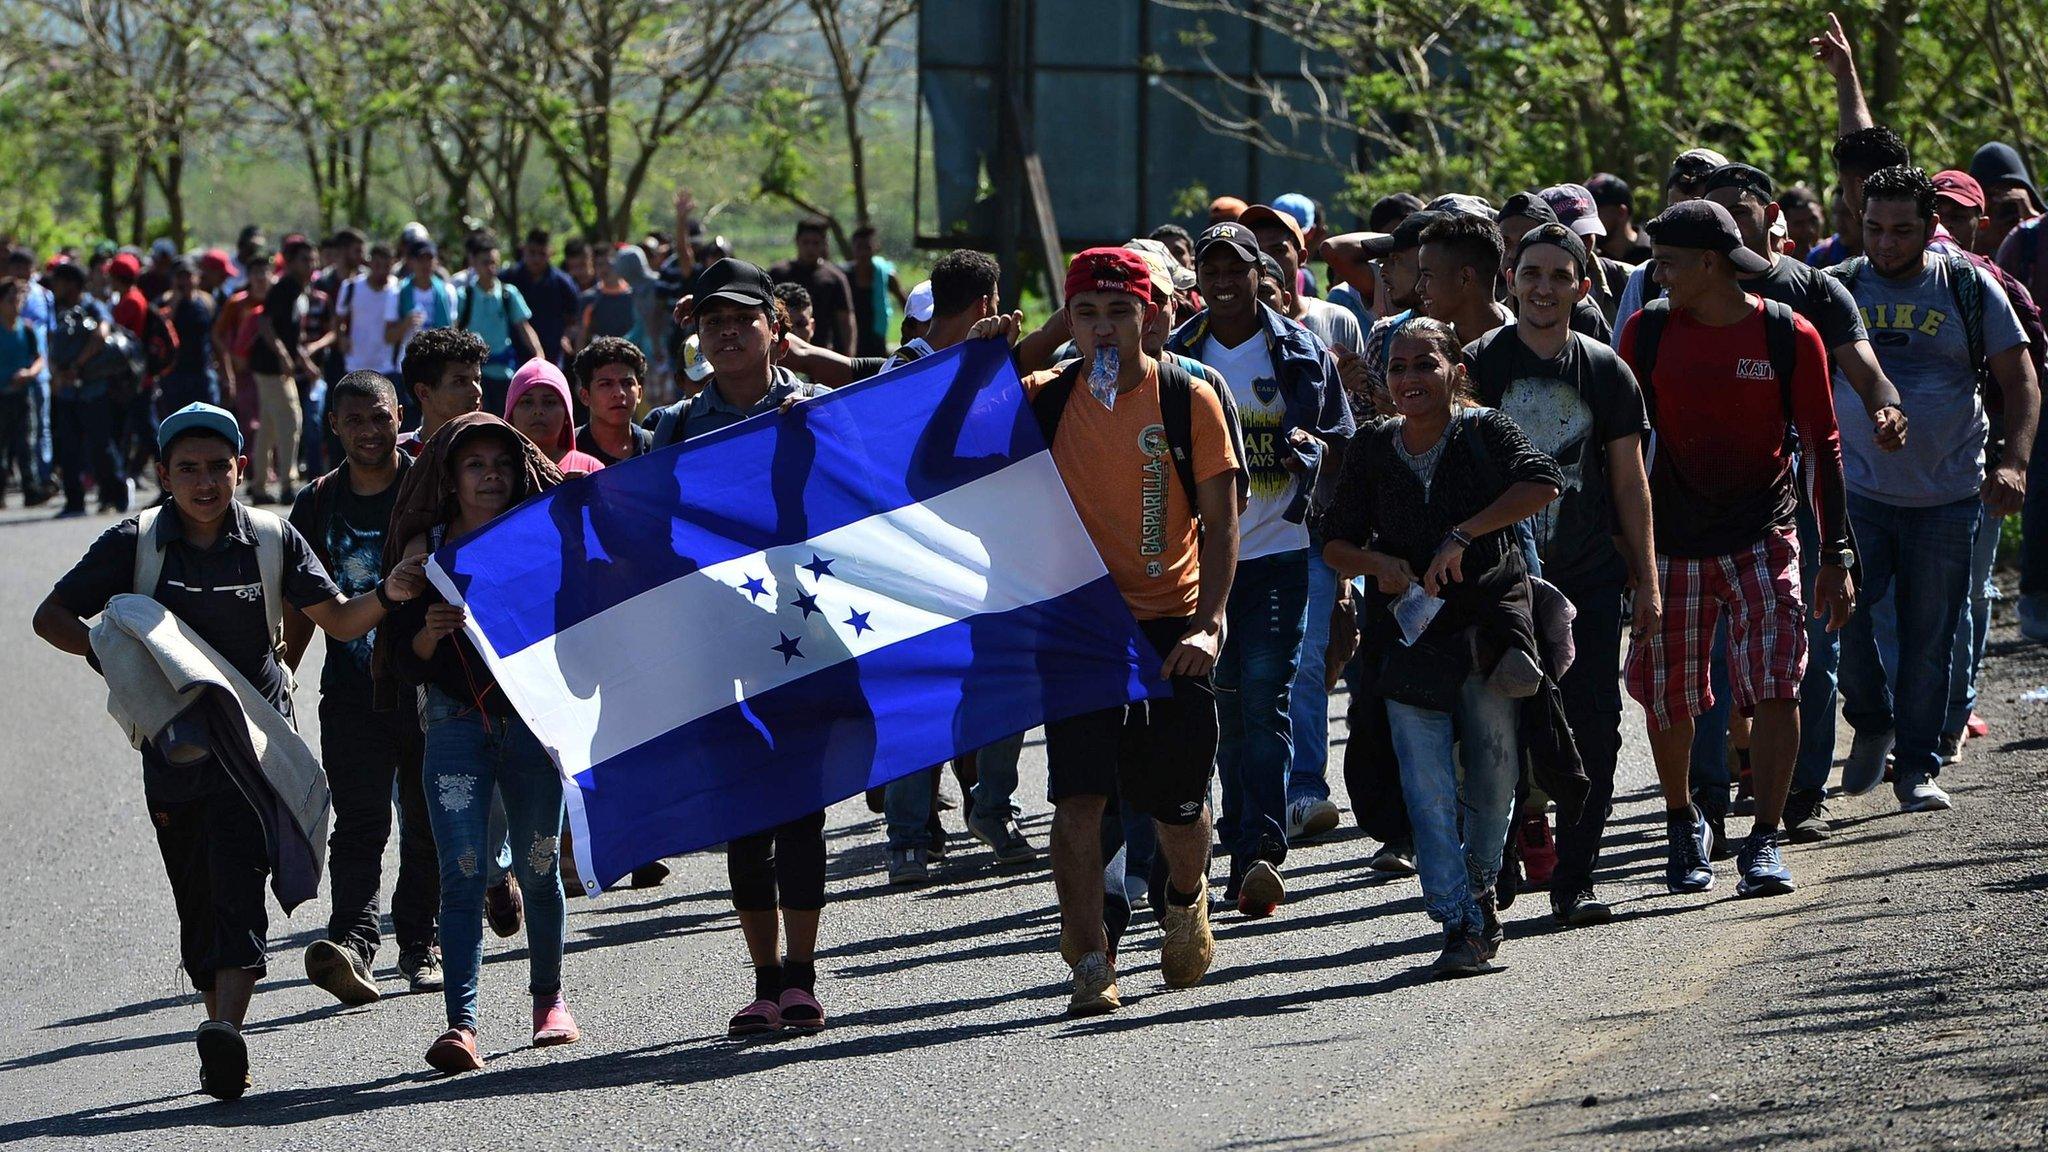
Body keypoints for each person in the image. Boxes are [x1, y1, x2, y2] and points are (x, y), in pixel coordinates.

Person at [32, 402, 430, 1099]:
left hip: (255, 742)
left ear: (242, 468)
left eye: (219, 466)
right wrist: (120, 662)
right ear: (163, 474)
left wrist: (390, 593)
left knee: (239, 880)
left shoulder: (273, 539)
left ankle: (229, 1030)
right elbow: (51, 616)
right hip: (176, 747)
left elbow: (337, 619)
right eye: (189, 469)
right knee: (197, 895)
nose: (206, 481)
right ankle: (217, 1016)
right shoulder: (138, 542)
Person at [1022, 247, 1237, 1014]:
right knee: (1080, 800)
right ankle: (1089, 959)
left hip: (1172, 619)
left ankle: (1186, 896)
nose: (1106, 330)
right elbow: (950, 418)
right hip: (1076, 626)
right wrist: (1044, 335)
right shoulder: (1043, 396)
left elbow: (1220, 523)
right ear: (1068, 319)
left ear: (1151, 315)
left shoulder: (1190, 396)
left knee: (1175, 803)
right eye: (1088, 313)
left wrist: (1210, 624)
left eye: (1121, 312)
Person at [1619, 199, 1854, 899]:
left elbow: (1823, 443)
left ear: (1710, 264)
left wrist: (1836, 555)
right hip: (1674, 543)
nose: (1654, 274)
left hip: (1762, 535)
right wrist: (1629, 553)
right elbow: (1622, 448)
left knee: (1780, 680)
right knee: (1671, 697)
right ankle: (1682, 821)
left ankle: (1764, 839)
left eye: (1665, 263)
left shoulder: (1789, 333)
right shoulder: (1647, 332)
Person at [1319, 315, 1563, 974]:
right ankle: (1460, 918)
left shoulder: (1486, 430)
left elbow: (1542, 482)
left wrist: (1463, 533)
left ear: (1455, 370)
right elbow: (1333, 539)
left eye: (1424, 364)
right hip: (1408, 639)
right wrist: (1378, 566)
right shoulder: (1373, 447)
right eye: (1397, 368)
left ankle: (1482, 885)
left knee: (1493, 775)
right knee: (1425, 789)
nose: (1408, 380)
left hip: (1484, 636)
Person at [1689, 160, 1910, 843]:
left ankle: (1802, 797)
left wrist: (1887, 409)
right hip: (1707, 506)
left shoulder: (1814, 293)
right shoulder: (1682, 300)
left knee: (1811, 650)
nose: (1728, 228)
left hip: (1803, 502)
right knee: (1711, 661)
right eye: (1714, 216)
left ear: (1767, 212)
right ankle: (1704, 807)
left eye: (1739, 213)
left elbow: (1867, 372)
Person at [1825, 165, 2038, 811]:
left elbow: (2022, 380)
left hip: (1947, 495)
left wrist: (2015, 462)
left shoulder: (1969, 286)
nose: (1885, 244)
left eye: (1901, 230)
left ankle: (1917, 769)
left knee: (1929, 638)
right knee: (1846, 629)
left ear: (1930, 228)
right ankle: (1871, 720)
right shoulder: (1834, 290)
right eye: (1873, 228)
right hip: (1855, 494)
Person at [1465, 224, 1656, 926]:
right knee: (1495, 734)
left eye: (1559, 275)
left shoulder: (1606, 371)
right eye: (1530, 273)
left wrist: (1648, 584)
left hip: (1590, 580)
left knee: (1593, 730)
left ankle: (1575, 879)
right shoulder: (1478, 364)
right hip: (1499, 584)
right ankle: (1494, 867)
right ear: (1509, 280)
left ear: (1583, 284)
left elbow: (1632, 486)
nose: (1543, 287)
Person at [1165, 221, 1353, 916]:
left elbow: (1344, 442)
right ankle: (1237, 837)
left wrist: (1315, 448)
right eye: (1209, 268)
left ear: (1260, 273)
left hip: (1280, 554)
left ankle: (1258, 854)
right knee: (1228, 706)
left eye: (1233, 268)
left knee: (1266, 696)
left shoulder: (1301, 351)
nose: (1220, 279)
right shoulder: (1177, 355)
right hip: (1201, 560)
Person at [383, 413, 580, 1073]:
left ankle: (549, 1001)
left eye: (501, 463)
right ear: (450, 477)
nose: (491, 476)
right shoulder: (425, 553)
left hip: (530, 723)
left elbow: (578, 615)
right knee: (463, 871)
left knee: (539, 863)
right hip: (454, 726)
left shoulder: (542, 535)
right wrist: (430, 632)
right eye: (475, 465)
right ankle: (460, 1026)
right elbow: (403, 655)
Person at [282, 372, 443, 1001]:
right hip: (351, 694)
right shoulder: (316, 504)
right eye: (355, 421)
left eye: (379, 418)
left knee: (428, 821)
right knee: (360, 821)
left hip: (428, 686)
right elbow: (301, 602)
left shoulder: (426, 485)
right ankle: (351, 942)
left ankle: (421, 942)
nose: (370, 432)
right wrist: (284, 672)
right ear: (334, 427)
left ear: (398, 413)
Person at [645, 259, 823, 450]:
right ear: (699, 337)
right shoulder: (676, 425)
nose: (728, 330)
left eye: (744, 318)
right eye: (714, 321)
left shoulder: (819, 404)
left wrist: (824, 424)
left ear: (774, 330)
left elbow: (854, 473)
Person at [44, 261, 130, 518]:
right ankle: (74, 501)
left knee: (100, 445)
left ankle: (114, 496)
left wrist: (77, 366)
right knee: (68, 445)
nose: (55, 287)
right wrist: (59, 374)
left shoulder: (92, 305)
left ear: (71, 283)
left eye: (58, 281)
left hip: (93, 390)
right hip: (68, 391)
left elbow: (101, 334)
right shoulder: (56, 309)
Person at [248, 240, 321, 505]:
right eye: (304, 260)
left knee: (268, 426)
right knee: (291, 420)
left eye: (313, 259)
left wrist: (303, 361)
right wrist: (283, 356)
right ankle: (288, 485)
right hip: (269, 367)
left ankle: (258, 486)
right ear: (290, 263)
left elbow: (292, 334)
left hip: (276, 366)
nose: (310, 265)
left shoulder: (300, 289)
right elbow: (265, 323)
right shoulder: (285, 288)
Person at [454, 233, 538, 416]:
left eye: (494, 262)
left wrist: (539, 358)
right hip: (474, 379)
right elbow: (454, 332)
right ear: (473, 263)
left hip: (504, 374)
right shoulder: (463, 296)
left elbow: (524, 328)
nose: (491, 268)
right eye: (485, 262)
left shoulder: (509, 294)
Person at [1542, 183, 1637, 326]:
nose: (1579, 243)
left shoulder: (1630, 280)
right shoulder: (1523, 287)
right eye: (1569, 234)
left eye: (1586, 233)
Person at [506, 358, 608, 475]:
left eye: (549, 402)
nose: (538, 411)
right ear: (511, 414)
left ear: (566, 414)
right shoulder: (500, 471)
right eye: (527, 402)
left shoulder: (591, 469)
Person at [770, 220, 857, 356]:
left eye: (815, 243)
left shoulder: (834, 278)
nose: (810, 248)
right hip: (781, 352)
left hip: (820, 352)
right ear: (797, 241)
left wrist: (848, 357)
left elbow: (845, 321)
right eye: (806, 242)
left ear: (824, 243)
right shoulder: (778, 273)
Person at [398, 326, 487, 455]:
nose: (477, 391)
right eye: (460, 381)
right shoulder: (394, 458)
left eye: (477, 380)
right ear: (424, 392)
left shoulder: (496, 452)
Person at [0, 278, 49, 507]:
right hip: (2, 395)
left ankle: (32, 490)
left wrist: (30, 373)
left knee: (26, 443)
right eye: (10, 299)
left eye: (19, 298)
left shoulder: (27, 329)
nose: (16, 303)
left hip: (23, 395)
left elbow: (40, 358)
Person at [501, 229, 580, 366]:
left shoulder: (563, 283)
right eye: (532, 252)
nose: (536, 259)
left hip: (552, 355)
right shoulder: (507, 278)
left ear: (550, 252)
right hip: (512, 356)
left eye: (542, 254)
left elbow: (575, 318)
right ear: (524, 250)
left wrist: (566, 336)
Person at [573, 337, 654, 466]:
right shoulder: (568, 451)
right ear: (585, 396)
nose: (619, 393)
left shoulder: (657, 447)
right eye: (606, 384)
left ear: (640, 393)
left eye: (627, 383)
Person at [158, 257, 220, 416]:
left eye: (188, 276)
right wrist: (175, 302)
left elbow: (216, 337)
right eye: (180, 277)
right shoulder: (164, 302)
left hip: (202, 373)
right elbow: (162, 331)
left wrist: (226, 373)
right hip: (175, 375)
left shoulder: (207, 302)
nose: (184, 281)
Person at [335, 242, 402, 378]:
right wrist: (341, 338)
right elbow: (338, 319)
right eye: (378, 265)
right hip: (355, 366)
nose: (382, 271)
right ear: (369, 263)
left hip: (386, 367)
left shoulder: (397, 289)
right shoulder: (351, 287)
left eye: (386, 266)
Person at [843, 225, 908, 359]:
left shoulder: (885, 275)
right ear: (853, 248)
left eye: (867, 247)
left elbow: (906, 304)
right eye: (859, 247)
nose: (863, 253)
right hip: (849, 339)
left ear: (875, 247)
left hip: (876, 339)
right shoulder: (844, 276)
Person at [1587, 173, 1654, 264]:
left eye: (1595, 211)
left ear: (1621, 212)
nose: (1588, 219)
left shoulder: (1656, 252)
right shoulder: (1589, 260)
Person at [1779, 186, 1828, 263]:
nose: (1809, 230)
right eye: (1798, 224)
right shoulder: (1776, 264)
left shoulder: (1835, 254)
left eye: (1813, 221)